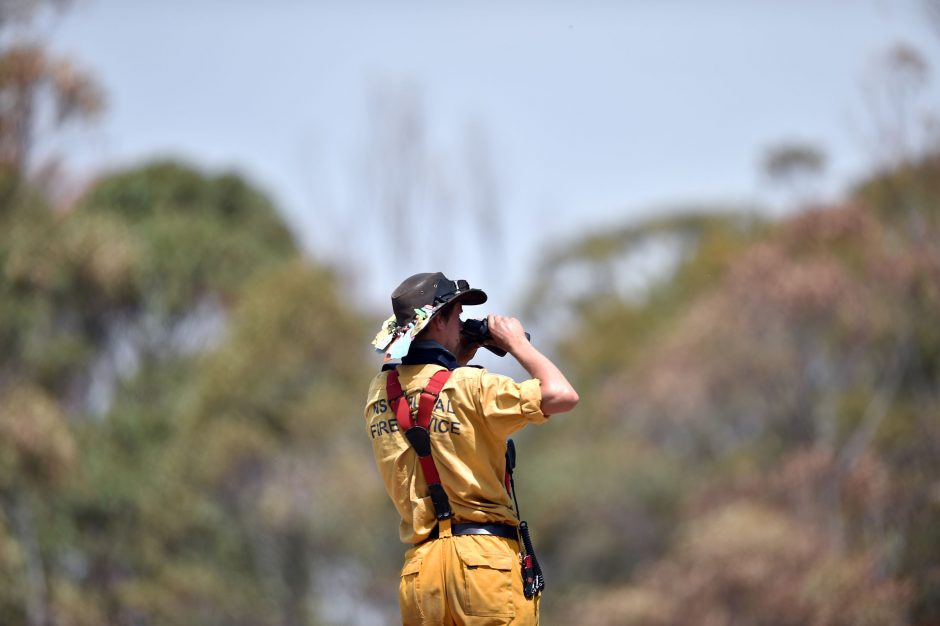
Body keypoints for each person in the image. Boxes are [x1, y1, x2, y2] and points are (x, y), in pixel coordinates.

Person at [364, 272, 579, 626]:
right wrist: (515, 344)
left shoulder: (378, 392)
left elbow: (427, 410)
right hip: (485, 566)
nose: (462, 325)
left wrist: (453, 359)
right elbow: (561, 395)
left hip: (421, 575)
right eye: (458, 316)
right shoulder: (474, 386)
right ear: (437, 322)